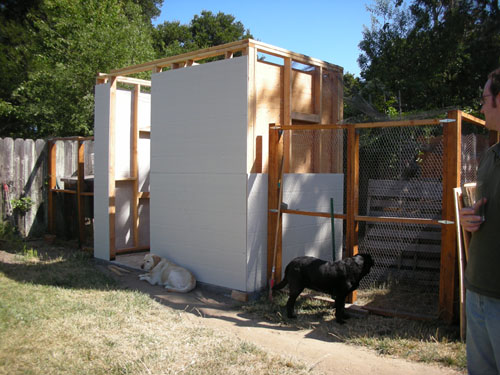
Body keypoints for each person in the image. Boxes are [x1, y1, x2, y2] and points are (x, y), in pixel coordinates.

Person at [460, 67, 500, 375]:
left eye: (486, 98)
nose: (482, 106)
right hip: (476, 292)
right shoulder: (490, 156)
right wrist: (468, 220)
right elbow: (484, 210)